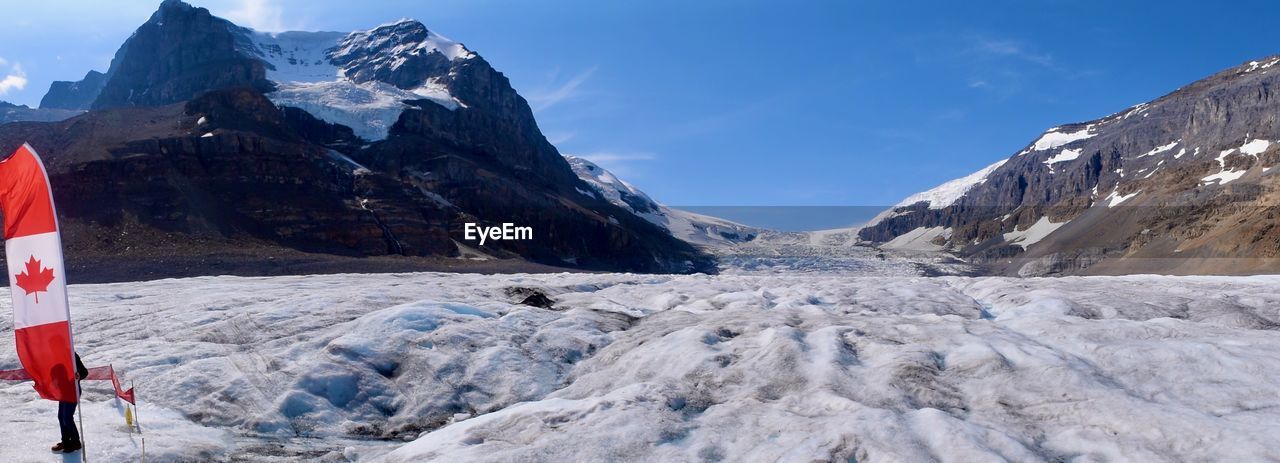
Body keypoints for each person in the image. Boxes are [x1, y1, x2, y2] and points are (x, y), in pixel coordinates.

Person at [52, 353, 89, 453]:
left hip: (73, 390)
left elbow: (84, 372)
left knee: (67, 417)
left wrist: (78, 375)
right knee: (61, 417)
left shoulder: (72, 354)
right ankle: (66, 442)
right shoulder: (56, 356)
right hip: (63, 391)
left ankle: (76, 442)